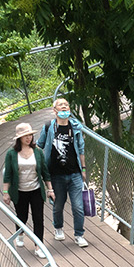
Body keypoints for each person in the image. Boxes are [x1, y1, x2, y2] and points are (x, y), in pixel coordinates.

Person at [38, 97, 89, 248]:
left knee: (78, 207)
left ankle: (79, 235)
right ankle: (58, 228)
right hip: (56, 175)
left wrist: (83, 169)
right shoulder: (48, 127)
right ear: (55, 110)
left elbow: (81, 149)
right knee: (58, 205)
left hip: (74, 174)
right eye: (61, 105)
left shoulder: (75, 127)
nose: (64, 107)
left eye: (66, 105)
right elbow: (40, 146)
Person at [0, 122, 51, 258]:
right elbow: (8, 174)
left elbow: (45, 172)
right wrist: (5, 192)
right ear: (19, 138)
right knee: (22, 216)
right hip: (20, 191)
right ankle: (20, 234)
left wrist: (50, 189)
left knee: (38, 219)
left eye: (30, 135)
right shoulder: (11, 154)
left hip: (36, 190)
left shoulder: (38, 152)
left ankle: (38, 246)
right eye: (25, 136)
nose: (28, 138)